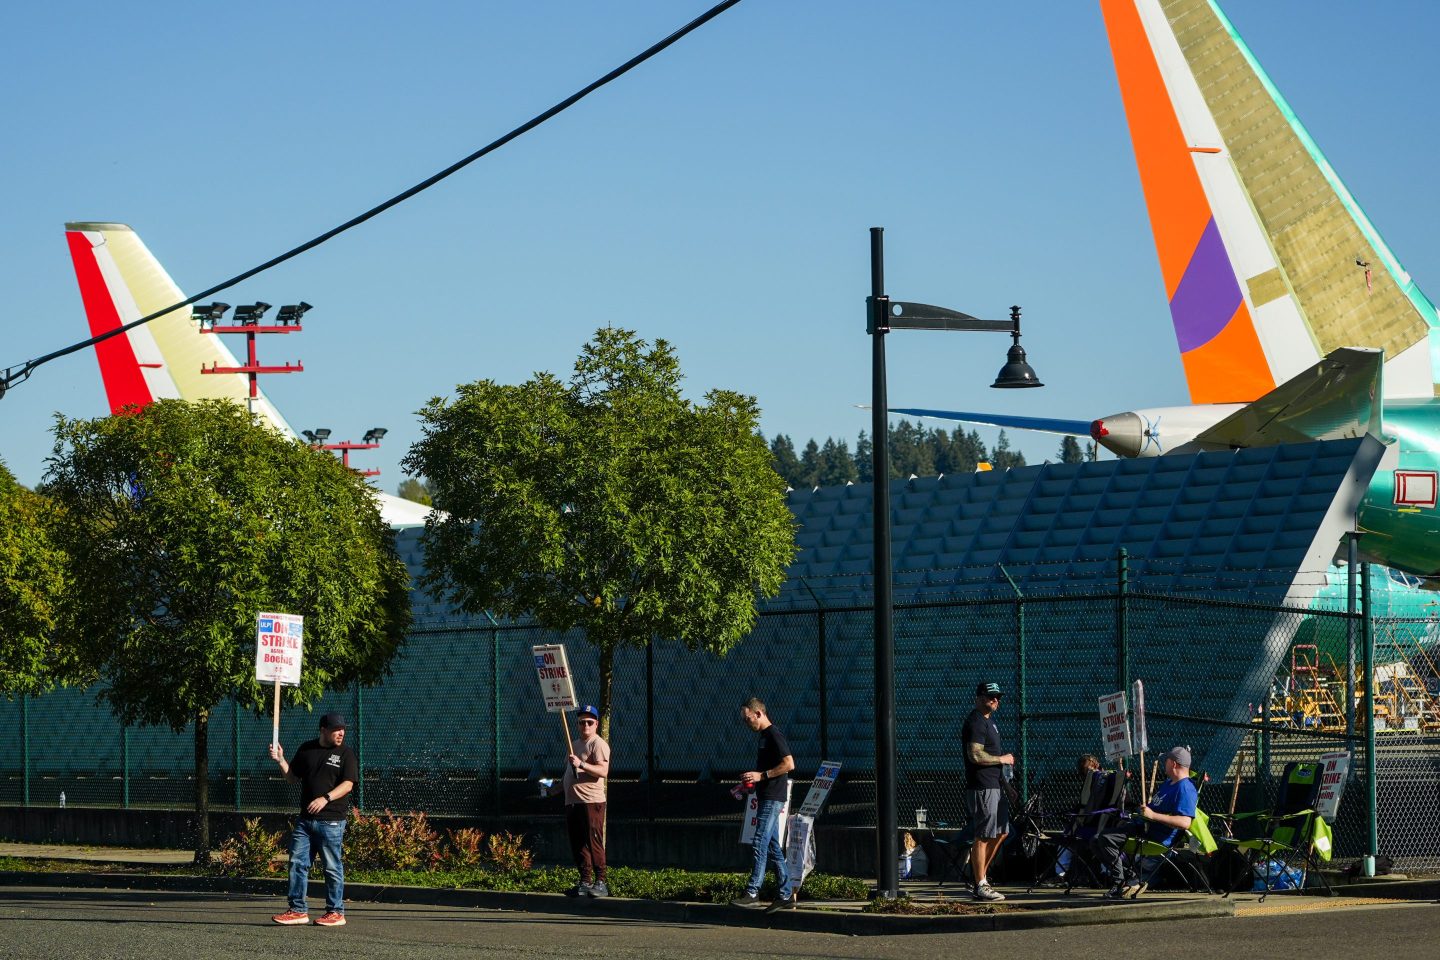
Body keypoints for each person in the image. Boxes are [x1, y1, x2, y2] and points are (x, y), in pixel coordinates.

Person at [269, 713, 358, 927]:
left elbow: (348, 784)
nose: (341, 733)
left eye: (343, 729)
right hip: (305, 820)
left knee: (331, 866)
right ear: (323, 730)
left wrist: (325, 798)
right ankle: (298, 910)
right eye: (337, 729)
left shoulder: (346, 754)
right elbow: (292, 778)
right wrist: (281, 760)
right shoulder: (307, 749)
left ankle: (336, 911)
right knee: (297, 863)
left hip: (332, 821)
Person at [1091, 745, 1197, 899]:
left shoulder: (1185, 788)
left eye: (1166, 760)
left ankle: (1121, 883)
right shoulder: (1169, 783)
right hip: (1143, 828)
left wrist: (1153, 815)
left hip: (1156, 837)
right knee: (1095, 840)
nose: (1164, 763)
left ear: (1174, 763)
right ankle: (1131, 877)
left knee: (1106, 839)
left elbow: (1185, 822)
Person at [732, 696, 796, 913]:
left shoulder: (773, 734)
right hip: (768, 795)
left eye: (747, 718)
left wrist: (761, 775)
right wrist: (754, 779)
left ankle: (752, 891)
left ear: (758, 713)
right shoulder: (764, 736)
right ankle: (785, 893)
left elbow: (789, 764)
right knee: (772, 846)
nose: (746, 723)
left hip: (772, 797)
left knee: (760, 840)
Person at [964, 681, 1014, 902]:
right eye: (991, 696)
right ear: (979, 697)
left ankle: (980, 878)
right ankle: (980, 883)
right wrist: (1001, 759)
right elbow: (974, 755)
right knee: (983, 835)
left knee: (1002, 832)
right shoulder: (976, 722)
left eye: (998, 697)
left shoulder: (990, 723)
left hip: (995, 785)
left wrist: (1007, 786)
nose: (996, 700)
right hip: (983, 786)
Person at [563, 704, 612, 898]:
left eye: (589, 722)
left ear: (596, 724)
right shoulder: (573, 744)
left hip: (591, 801)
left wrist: (582, 764)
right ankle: (585, 880)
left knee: (593, 841)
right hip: (573, 802)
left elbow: (603, 771)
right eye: (582, 722)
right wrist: (553, 789)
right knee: (578, 842)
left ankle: (601, 881)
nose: (585, 726)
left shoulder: (597, 744)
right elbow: (568, 774)